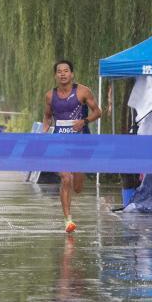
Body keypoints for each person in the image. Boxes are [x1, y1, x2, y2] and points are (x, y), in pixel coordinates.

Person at [43, 60, 101, 233]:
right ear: (55, 75)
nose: (62, 74)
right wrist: (44, 132)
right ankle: (68, 220)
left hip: (80, 141)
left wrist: (84, 121)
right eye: (59, 71)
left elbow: (98, 112)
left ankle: (79, 174)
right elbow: (47, 116)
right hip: (59, 141)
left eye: (66, 71)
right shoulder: (49, 96)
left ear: (72, 74)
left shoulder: (83, 91)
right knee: (65, 178)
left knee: (77, 186)